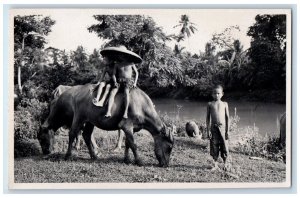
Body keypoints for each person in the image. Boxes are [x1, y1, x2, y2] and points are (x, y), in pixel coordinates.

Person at [100, 46, 142, 118]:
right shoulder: (117, 64)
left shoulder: (131, 63)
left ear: (125, 54)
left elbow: (137, 73)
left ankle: (125, 112)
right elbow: (113, 74)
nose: (121, 56)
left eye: (122, 54)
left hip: (128, 81)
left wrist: (135, 82)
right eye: (120, 54)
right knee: (112, 93)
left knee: (126, 93)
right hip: (119, 81)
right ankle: (108, 111)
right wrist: (115, 81)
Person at [206, 85, 230, 171]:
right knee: (214, 145)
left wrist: (227, 131)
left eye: (218, 93)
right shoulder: (210, 104)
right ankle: (215, 164)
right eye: (215, 93)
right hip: (213, 127)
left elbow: (227, 118)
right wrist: (208, 130)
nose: (217, 95)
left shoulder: (225, 104)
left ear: (222, 94)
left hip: (223, 127)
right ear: (212, 94)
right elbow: (208, 118)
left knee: (224, 145)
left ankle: (225, 164)